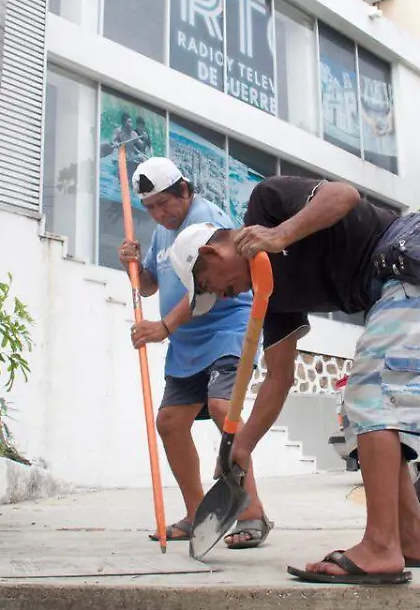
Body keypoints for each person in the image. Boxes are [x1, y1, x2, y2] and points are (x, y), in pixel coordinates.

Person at [167, 175, 420, 585]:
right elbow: (278, 378)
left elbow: (345, 194)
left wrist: (279, 235)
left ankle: (381, 548)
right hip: (412, 283)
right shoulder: (268, 299)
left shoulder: (266, 205)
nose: (220, 296)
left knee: (370, 401)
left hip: (413, 263)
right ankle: (414, 538)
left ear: (211, 253)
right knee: (378, 411)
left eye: (207, 286)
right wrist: (241, 447)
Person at [118, 156, 273, 550]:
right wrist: (134, 266)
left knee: (224, 408)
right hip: (188, 342)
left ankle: (252, 512)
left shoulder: (207, 220)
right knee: (169, 422)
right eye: (150, 207)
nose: (159, 213)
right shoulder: (161, 233)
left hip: (227, 327)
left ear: (184, 191)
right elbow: (151, 287)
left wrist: (163, 327)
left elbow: (205, 289)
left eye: (165, 203)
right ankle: (196, 514)